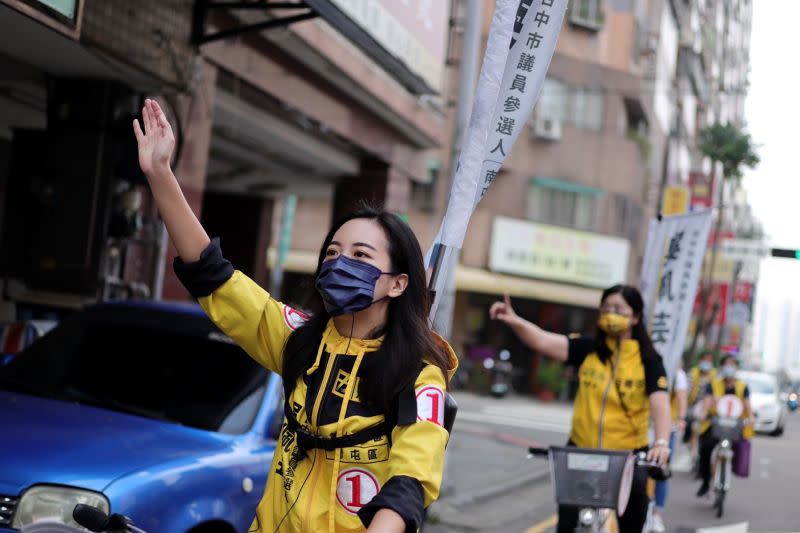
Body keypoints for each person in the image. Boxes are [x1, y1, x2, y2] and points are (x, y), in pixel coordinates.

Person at [133, 99, 457, 532]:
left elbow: (411, 480)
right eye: (333, 253)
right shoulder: (298, 339)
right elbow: (213, 276)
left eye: (361, 256)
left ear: (397, 283)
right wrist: (160, 174)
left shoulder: (418, 374)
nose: (340, 263)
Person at [489, 286, 671, 533]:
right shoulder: (588, 349)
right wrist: (514, 320)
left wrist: (660, 442)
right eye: (606, 308)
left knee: (633, 519)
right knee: (566, 524)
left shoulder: (649, 360)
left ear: (635, 317)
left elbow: (660, 403)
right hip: (581, 451)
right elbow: (542, 340)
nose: (610, 314)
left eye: (618, 309)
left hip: (627, 457)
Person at [696, 354, 753, 497]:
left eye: (732, 364)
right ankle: (705, 481)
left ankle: (729, 469)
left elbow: (747, 406)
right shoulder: (713, 384)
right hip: (716, 423)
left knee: (740, 447)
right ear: (722, 366)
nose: (730, 367)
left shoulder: (742, 386)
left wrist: (751, 418)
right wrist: (704, 413)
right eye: (727, 364)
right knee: (705, 448)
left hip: (734, 425)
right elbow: (707, 401)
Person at [651, 366, 688, 533]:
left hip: (666, 430)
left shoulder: (676, 373)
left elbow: (681, 397)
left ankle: (657, 514)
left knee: (661, 470)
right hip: (639, 428)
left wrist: (681, 418)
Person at [685, 351, 717, 454]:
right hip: (693, 405)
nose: (706, 362)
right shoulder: (693, 372)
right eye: (705, 360)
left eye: (709, 360)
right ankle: (690, 441)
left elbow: (716, 392)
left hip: (709, 408)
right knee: (693, 426)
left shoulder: (715, 375)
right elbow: (687, 390)